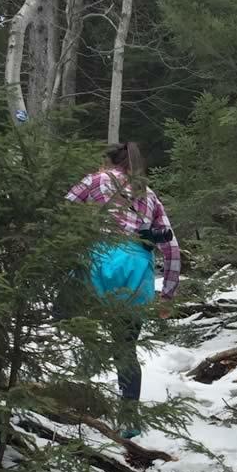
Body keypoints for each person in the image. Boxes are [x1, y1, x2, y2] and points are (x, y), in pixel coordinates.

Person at [65, 141, 182, 439]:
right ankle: (128, 421)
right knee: (126, 348)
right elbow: (171, 248)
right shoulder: (150, 195)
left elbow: (62, 213)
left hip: (98, 261)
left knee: (67, 317)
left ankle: (80, 381)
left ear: (111, 162)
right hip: (134, 270)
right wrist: (167, 295)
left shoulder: (95, 180)